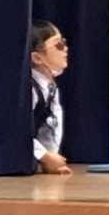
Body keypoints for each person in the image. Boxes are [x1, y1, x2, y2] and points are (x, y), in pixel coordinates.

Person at [29, 20, 71, 175]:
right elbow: (16, 131)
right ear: (37, 58)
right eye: (58, 44)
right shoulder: (29, 89)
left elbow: (51, 127)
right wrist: (44, 156)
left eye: (64, 42)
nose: (65, 48)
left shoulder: (51, 88)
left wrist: (52, 156)